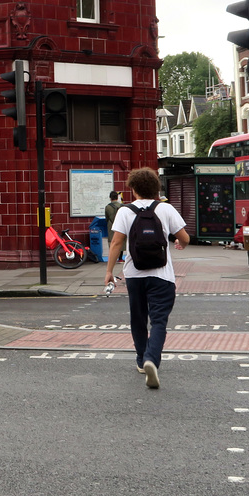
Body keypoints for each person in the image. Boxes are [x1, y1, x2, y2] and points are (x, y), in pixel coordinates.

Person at [104, 167, 189, 390]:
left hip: (134, 275)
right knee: (159, 321)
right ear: (156, 188)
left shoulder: (124, 211)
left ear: (133, 189)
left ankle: (142, 360)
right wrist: (180, 243)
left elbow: (116, 243)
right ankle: (152, 358)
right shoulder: (166, 208)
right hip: (162, 275)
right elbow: (184, 237)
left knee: (138, 318)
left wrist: (109, 272)